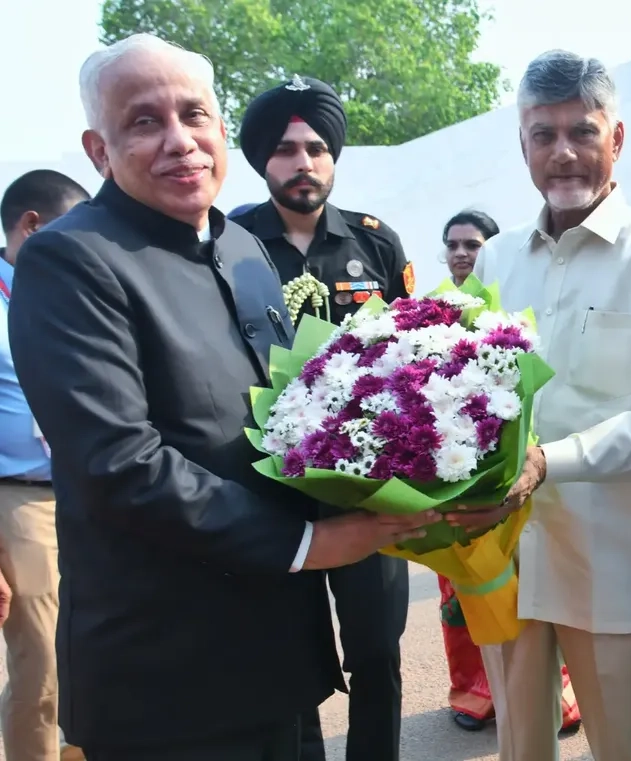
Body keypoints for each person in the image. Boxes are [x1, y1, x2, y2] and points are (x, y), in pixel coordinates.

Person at [5, 33, 440, 761]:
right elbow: (119, 461)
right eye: (145, 121)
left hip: (282, 653)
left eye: (195, 114)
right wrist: (312, 540)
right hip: (168, 676)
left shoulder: (243, 249)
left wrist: (407, 483)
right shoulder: (72, 260)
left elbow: (290, 422)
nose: (181, 141)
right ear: (97, 148)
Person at [453, 50, 631, 761]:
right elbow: (469, 390)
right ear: (523, 144)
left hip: (614, 559)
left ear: (616, 138)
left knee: (626, 750)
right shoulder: (498, 258)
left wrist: (547, 463)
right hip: (507, 556)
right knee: (520, 750)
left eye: (583, 132)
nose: (563, 153)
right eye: (544, 135)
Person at [231, 74, 417, 761]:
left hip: (369, 485)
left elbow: (410, 357)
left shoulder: (375, 244)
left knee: (376, 650)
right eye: (284, 149)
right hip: (271, 488)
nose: (302, 161)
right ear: (261, 160)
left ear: (333, 157)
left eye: (315, 147)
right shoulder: (229, 242)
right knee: (289, 653)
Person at [434, 209, 582, 734]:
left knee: (539, 597)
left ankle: (556, 692)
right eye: (452, 244)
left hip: (519, 476)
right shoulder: (427, 317)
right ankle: (474, 692)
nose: (461, 253)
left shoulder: (512, 310)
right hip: (452, 481)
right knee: (460, 595)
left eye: (472, 244)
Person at [1, 169, 90, 761]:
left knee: (98, 652)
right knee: (44, 661)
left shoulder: (70, 295)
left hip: (89, 489)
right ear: (31, 226)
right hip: (20, 497)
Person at [441, 209, 498, 288]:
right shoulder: (433, 299)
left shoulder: (508, 295)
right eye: (452, 246)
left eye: (472, 245)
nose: (459, 253)